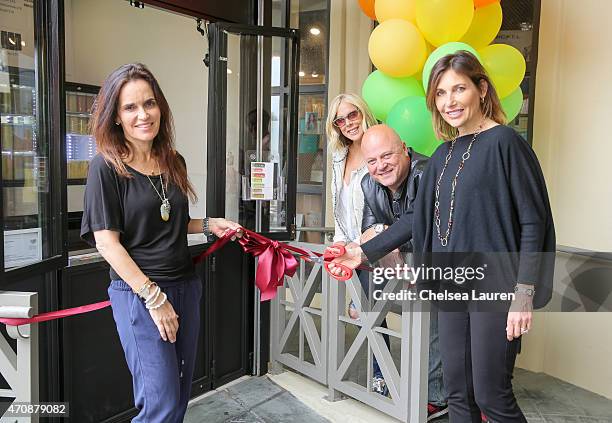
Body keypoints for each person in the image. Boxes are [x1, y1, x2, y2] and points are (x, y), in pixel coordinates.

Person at [331, 51, 555, 422]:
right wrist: (362, 253)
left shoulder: (506, 144)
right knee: (457, 394)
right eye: (440, 93)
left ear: (481, 89)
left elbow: (534, 223)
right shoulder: (443, 154)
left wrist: (524, 294)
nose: (449, 101)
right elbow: (414, 221)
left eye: (459, 89)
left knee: (491, 397)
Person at [80, 63, 242, 423]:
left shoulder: (172, 161)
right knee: (161, 405)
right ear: (116, 117)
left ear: (160, 108)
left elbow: (171, 223)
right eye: (130, 107)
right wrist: (153, 298)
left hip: (186, 287)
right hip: (141, 295)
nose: (143, 115)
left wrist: (212, 224)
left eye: (149, 103)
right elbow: (107, 244)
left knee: (180, 397)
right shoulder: (105, 168)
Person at [358, 124, 448, 420]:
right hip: (398, 270)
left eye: (387, 156)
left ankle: (436, 396)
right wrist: (386, 236)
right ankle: (384, 379)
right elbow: (368, 233)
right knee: (370, 309)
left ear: (405, 149)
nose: (380, 166)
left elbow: (430, 231)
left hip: (440, 264)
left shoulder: (427, 173)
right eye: (372, 161)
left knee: (432, 321)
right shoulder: (368, 184)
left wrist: (388, 240)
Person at [325, 93, 386, 393]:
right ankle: (360, 376)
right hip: (348, 249)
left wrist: (361, 246)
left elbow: (384, 206)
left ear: (363, 112)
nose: (348, 123)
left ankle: (382, 377)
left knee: (372, 312)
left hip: (373, 248)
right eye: (341, 119)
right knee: (363, 312)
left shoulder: (378, 151)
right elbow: (339, 206)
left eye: (353, 114)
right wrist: (339, 245)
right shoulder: (338, 157)